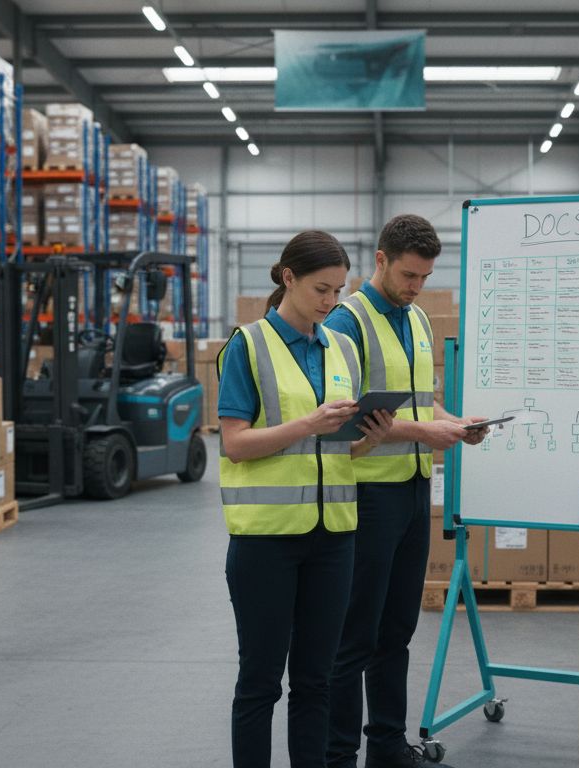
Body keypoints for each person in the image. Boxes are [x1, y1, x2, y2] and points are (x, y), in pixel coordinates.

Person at [218, 230, 397, 768]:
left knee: (317, 681)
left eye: (339, 292)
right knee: (261, 682)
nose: (329, 302)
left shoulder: (341, 346)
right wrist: (307, 423)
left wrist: (372, 436)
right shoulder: (247, 346)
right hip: (267, 541)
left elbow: (340, 451)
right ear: (288, 278)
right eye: (321, 289)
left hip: (335, 537)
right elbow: (234, 443)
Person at [323, 214, 489, 768]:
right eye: (409, 274)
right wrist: (427, 431)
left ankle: (388, 747)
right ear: (381, 260)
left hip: (415, 493)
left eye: (425, 277)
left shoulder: (417, 319)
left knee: (397, 630)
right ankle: (339, 754)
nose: (417, 286)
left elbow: (421, 401)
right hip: (369, 496)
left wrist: (457, 422)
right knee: (356, 636)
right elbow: (348, 419)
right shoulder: (348, 321)